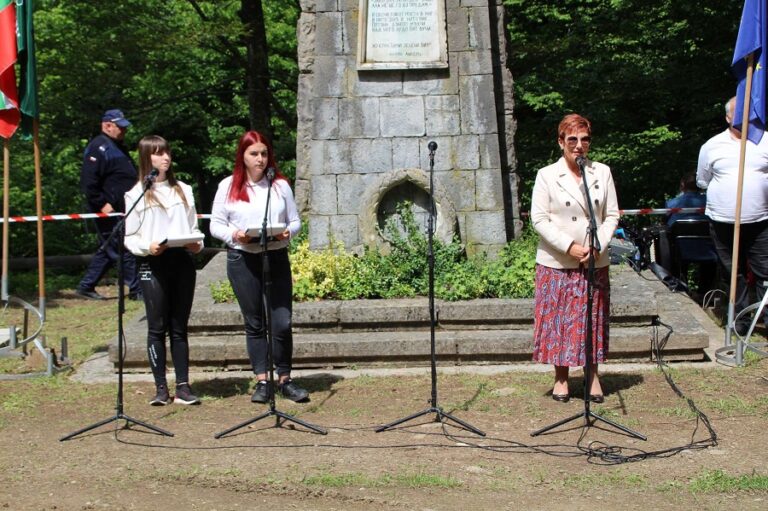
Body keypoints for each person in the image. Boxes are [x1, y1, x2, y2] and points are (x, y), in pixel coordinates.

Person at [210, 131, 307, 403]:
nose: (260, 159)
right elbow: (215, 224)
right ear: (243, 156)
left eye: (264, 153)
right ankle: (262, 381)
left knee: (282, 321)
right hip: (243, 257)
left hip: (274, 255)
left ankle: (285, 379)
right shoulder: (228, 186)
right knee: (255, 321)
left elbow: (296, 220)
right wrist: (235, 235)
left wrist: (288, 232)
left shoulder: (279, 186)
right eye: (254, 154)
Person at [530, 113, 620, 403]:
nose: (579, 145)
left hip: (594, 260)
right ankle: (561, 378)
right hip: (558, 261)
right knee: (559, 321)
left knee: (592, 319)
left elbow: (612, 215)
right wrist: (568, 246)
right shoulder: (546, 175)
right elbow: (539, 218)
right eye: (572, 139)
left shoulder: (602, 172)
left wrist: (597, 244)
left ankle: (593, 376)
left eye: (584, 139)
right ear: (561, 142)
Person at [124, 135, 204, 406]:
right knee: (157, 326)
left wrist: (197, 245)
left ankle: (183, 386)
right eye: (158, 154)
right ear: (147, 158)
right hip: (152, 262)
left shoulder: (184, 189)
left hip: (181, 260)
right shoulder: (135, 193)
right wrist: (148, 247)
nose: (165, 158)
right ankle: (161, 387)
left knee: (179, 326)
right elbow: (129, 236)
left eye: (167, 152)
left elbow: (194, 228)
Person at [696, 96, 768, 333]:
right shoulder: (711, 146)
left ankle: (765, 320)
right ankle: (739, 324)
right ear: (728, 117)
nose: (744, 118)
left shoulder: (765, 141)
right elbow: (702, 180)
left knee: (765, 273)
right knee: (732, 273)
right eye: (737, 113)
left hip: (761, 222)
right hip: (723, 222)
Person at [76, 109, 142, 300]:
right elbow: (88, 183)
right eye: (119, 127)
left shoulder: (118, 146)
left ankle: (86, 285)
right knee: (122, 247)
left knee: (108, 247)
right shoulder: (98, 148)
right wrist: (101, 204)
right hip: (108, 209)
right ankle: (137, 289)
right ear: (107, 126)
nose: (123, 131)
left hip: (124, 208)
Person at [664, 172, 717, 296]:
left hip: (680, 250)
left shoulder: (672, 204)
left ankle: (681, 289)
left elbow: (665, 224)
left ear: (682, 185)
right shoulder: (710, 202)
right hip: (708, 249)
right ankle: (706, 293)